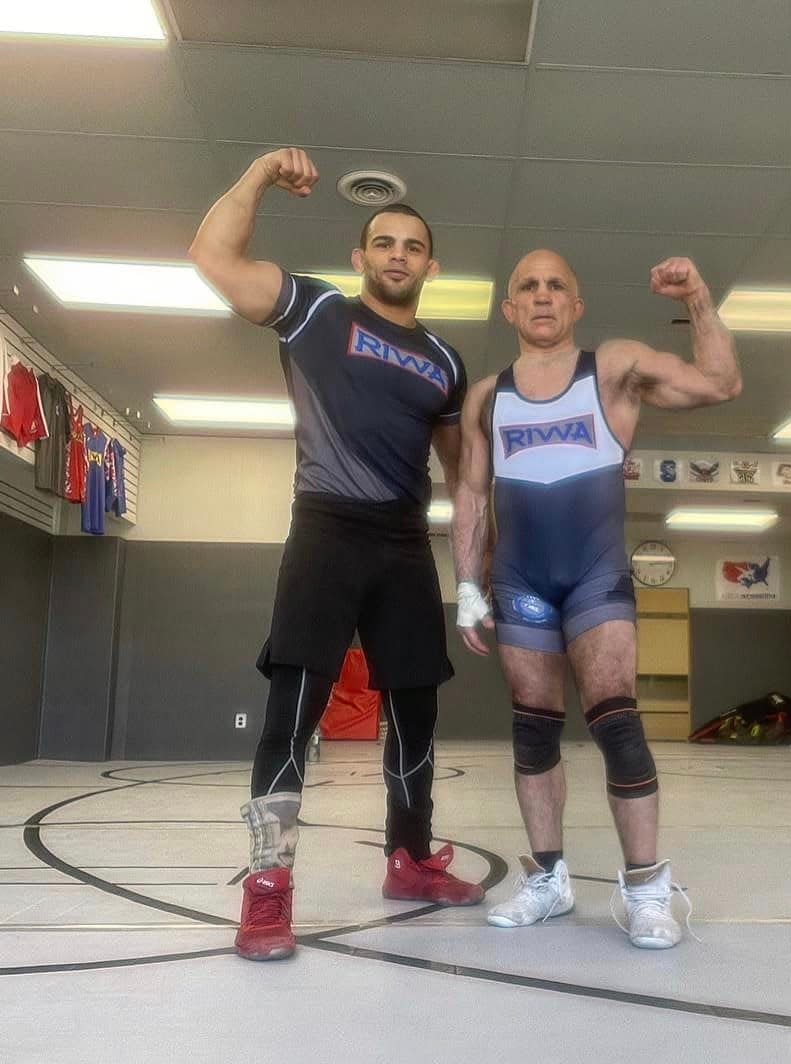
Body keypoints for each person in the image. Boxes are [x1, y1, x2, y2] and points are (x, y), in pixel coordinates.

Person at [189, 147, 483, 962]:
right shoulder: (316, 310)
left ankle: (411, 856)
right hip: (325, 528)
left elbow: (463, 477)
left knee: (416, 706)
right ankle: (268, 888)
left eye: (413, 245)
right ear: (362, 258)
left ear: (430, 264)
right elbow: (212, 256)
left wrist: (475, 579)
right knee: (295, 708)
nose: (398, 255)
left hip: (403, 543)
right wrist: (252, 175)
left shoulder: (446, 361)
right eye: (384, 242)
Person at [452, 249, 740, 948]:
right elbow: (469, 488)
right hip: (519, 578)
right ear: (509, 308)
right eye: (528, 285)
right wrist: (464, 583)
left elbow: (721, 382)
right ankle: (548, 880)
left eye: (557, 285)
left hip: (595, 572)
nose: (543, 295)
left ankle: (646, 887)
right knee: (532, 725)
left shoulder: (610, 367)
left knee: (615, 718)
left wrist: (698, 295)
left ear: (576, 306)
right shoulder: (487, 396)